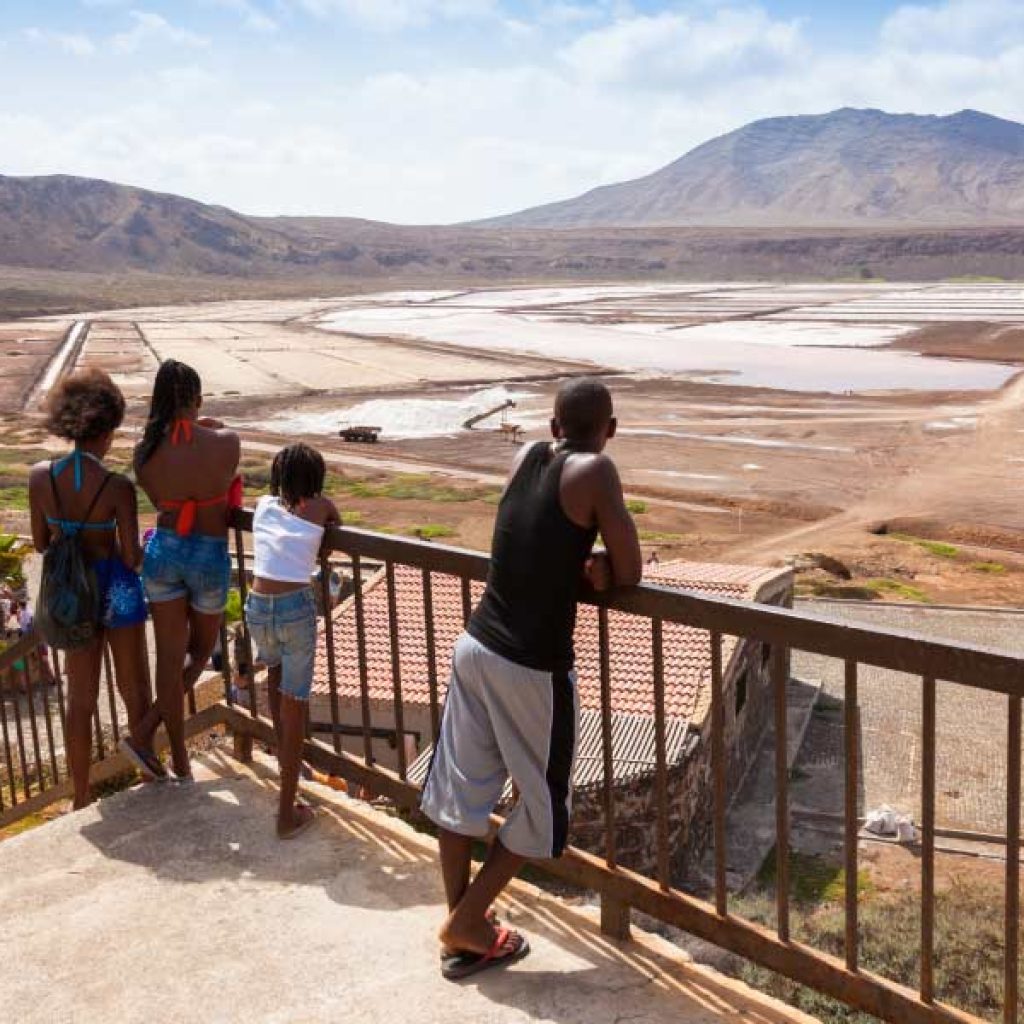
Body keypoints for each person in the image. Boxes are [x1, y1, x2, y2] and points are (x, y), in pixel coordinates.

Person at [420, 377, 642, 980]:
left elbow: (533, 539)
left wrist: (576, 563)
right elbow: (632, 571)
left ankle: (464, 929)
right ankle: (467, 922)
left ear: (552, 427)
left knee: (460, 790)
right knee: (546, 806)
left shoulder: (525, 457)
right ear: (611, 431)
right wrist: (595, 567)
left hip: (477, 643)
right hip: (531, 663)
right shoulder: (597, 470)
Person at [28, 369, 160, 808]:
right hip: (116, 590)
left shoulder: (39, 477)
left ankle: (80, 797)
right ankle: (147, 775)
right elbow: (129, 558)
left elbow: (42, 543)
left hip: (72, 596)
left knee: (80, 698)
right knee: (133, 689)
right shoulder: (118, 487)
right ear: (104, 428)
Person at [133, 360, 241, 782]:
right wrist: (210, 425)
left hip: (163, 553)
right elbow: (221, 464)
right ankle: (144, 732)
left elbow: (161, 493)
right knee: (200, 654)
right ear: (196, 400)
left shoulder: (144, 455)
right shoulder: (226, 442)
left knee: (169, 658)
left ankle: (177, 758)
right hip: (208, 554)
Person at [245, 443, 338, 838]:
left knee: (280, 692)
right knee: (295, 705)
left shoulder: (263, 505)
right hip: (294, 607)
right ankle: (286, 813)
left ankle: (290, 776)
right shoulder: (321, 507)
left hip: (257, 606)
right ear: (315, 479)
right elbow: (331, 531)